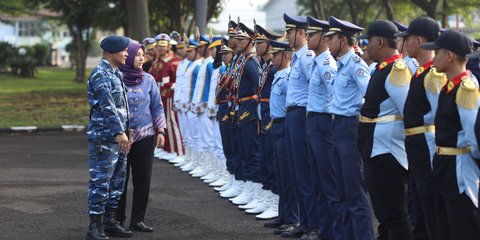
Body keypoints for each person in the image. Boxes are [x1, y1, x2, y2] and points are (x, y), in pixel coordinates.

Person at [421, 30, 480, 240]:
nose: (433, 57)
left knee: (462, 228)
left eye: (437, 52)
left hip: (459, 169)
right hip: (444, 166)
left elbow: (475, 137)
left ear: (450, 56)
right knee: (445, 229)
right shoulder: (449, 88)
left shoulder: (466, 89)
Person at [357, 20, 413, 240]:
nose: (366, 46)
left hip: (387, 151)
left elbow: (408, 111)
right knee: (384, 215)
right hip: (375, 148)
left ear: (380, 42)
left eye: (368, 41)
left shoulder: (396, 70)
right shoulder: (383, 67)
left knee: (395, 216)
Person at [325, 16, 373, 240]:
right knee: (339, 190)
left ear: (343, 39)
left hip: (348, 126)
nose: (328, 42)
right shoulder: (340, 64)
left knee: (354, 190)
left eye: (331, 38)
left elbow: (370, 95)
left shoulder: (355, 65)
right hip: (336, 126)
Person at [396, 17, 441, 240]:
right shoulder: (420, 72)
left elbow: (439, 116)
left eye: (409, 39)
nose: (405, 44)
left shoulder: (432, 74)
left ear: (420, 40)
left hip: (426, 145)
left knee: (430, 205)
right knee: (418, 204)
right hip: (415, 145)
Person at [117, 40, 167, 233]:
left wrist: (160, 131)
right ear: (127, 56)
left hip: (145, 135)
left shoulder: (149, 79)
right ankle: (117, 219)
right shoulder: (117, 77)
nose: (141, 58)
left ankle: (138, 220)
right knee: (120, 179)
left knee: (143, 179)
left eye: (142, 55)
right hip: (121, 138)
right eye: (136, 55)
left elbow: (157, 106)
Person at [86, 35, 132, 240]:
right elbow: (107, 107)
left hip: (119, 137)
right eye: (124, 51)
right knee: (101, 182)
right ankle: (94, 227)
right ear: (112, 52)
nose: (127, 54)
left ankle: (111, 222)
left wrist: (126, 132)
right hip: (104, 138)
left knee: (117, 182)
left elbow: (122, 107)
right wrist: (119, 133)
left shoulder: (116, 73)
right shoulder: (100, 74)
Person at [279, 13, 316, 239]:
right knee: (295, 172)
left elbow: (314, 91)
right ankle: (304, 221)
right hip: (291, 115)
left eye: (291, 32)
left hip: (301, 115)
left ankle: (313, 224)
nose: (288, 36)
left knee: (304, 173)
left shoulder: (307, 58)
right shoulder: (297, 58)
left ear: (301, 33)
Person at [305, 15, 341, 240]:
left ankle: (333, 232)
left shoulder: (327, 63)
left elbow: (335, 94)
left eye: (312, 35)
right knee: (316, 180)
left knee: (327, 181)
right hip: (313, 121)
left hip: (323, 122)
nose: (307, 38)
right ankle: (323, 230)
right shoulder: (316, 61)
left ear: (324, 38)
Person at [242, 22, 282, 219]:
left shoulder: (273, 69)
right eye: (256, 42)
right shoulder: (266, 66)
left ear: (270, 44)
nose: (256, 45)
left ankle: (274, 202)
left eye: (260, 42)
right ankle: (266, 199)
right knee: (265, 157)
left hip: (269, 114)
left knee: (271, 159)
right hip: (262, 114)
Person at [227, 21, 261, 206]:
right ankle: (247, 189)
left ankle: (255, 193)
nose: (237, 42)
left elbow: (258, 89)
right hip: (241, 109)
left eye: (241, 39)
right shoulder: (242, 61)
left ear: (250, 42)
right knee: (243, 150)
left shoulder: (250, 63)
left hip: (249, 110)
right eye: (237, 39)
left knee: (251, 152)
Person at [266, 39, 298, 234]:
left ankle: (293, 218)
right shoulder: (279, 75)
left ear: (286, 56)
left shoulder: (287, 77)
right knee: (279, 173)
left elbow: (290, 103)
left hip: (285, 125)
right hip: (276, 126)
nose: (272, 58)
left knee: (287, 174)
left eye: (276, 55)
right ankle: (284, 215)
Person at [150, 33, 183, 161]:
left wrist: (168, 85)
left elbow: (178, 81)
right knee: (162, 123)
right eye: (159, 46)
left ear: (168, 46)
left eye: (163, 46)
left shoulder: (174, 61)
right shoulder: (158, 61)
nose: (161, 48)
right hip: (160, 94)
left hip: (170, 95)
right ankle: (167, 149)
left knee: (172, 122)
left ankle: (177, 151)